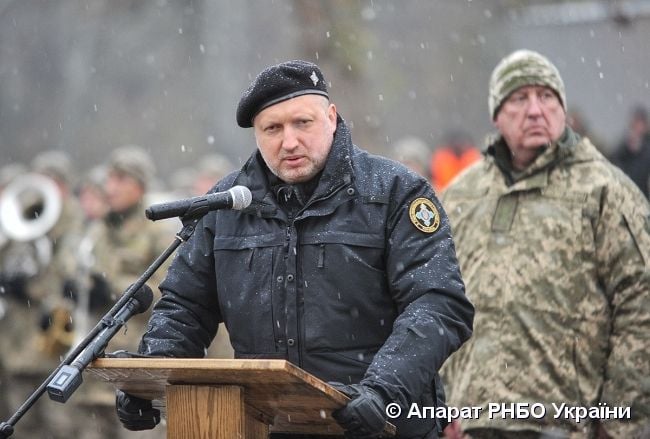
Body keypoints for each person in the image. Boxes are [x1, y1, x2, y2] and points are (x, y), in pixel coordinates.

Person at [115, 60, 474, 438]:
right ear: (256, 134)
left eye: (303, 123)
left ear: (331, 118)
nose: (289, 142)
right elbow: (185, 307)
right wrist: (152, 377)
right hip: (268, 422)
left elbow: (438, 305)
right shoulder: (226, 204)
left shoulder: (396, 192)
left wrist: (383, 389)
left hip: (382, 422)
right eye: (272, 128)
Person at [441, 50, 650, 438]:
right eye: (520, 98)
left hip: (565, 424)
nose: (535, 110)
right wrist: (437, 408)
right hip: (473, 423)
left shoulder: (605, 191)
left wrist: (620, 423)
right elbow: (431, 303)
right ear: (496, 114)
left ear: (562, 108)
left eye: (547, 97)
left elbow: (641, 308)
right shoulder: (460, 196)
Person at [611, 105, 650, 198]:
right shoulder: (620, 149)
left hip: (643, 201)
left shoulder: (647, 153)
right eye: (634, 123)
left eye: (640, 124)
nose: (636, 127)